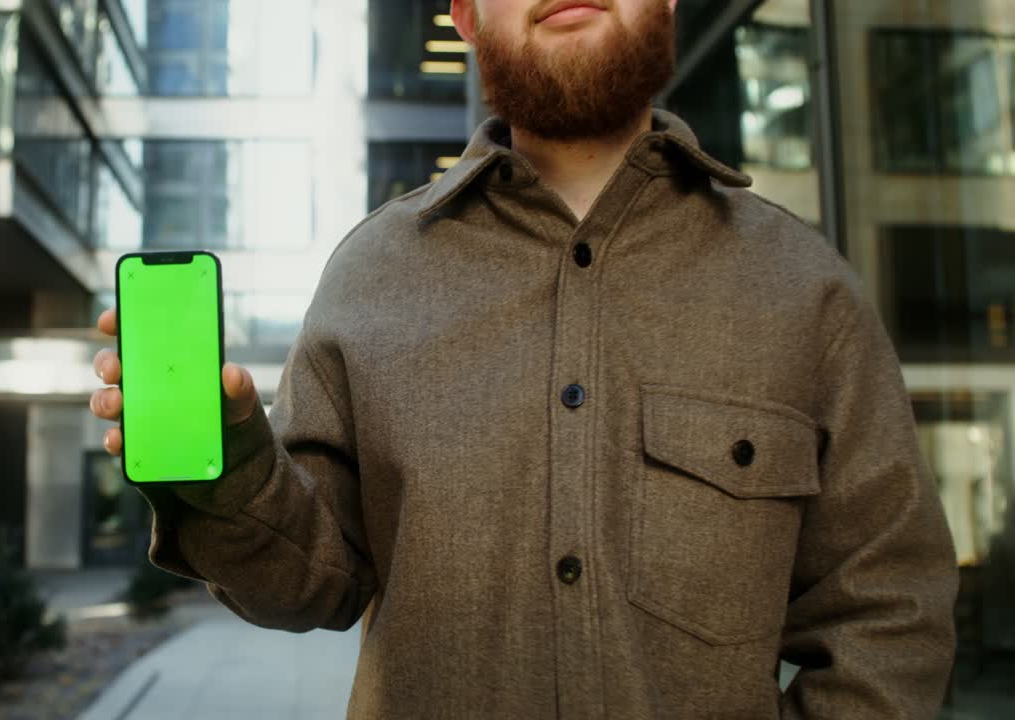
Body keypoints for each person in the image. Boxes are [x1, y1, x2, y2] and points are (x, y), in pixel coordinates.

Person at [88, 0, 958, 716]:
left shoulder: (807, 290)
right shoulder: (370, 274)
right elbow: (308, 585)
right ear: (464, 14)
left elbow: (889, 611)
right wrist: (230, 469)